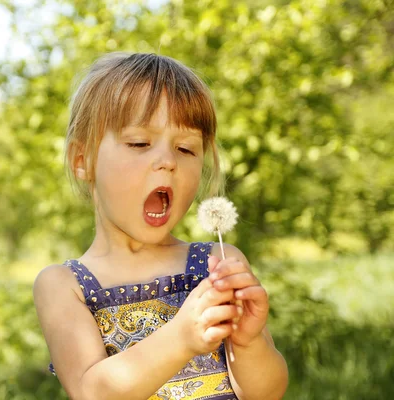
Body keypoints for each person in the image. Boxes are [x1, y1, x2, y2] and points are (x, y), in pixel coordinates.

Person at [33, 52, 288, 400]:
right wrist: (182, 338)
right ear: (83, 161)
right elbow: (92, 392)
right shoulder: (64, 286)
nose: (167, 162)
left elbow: (266, 394)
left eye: (185, 149)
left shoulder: (217, 265)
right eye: (139, 143)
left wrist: (248, 341)